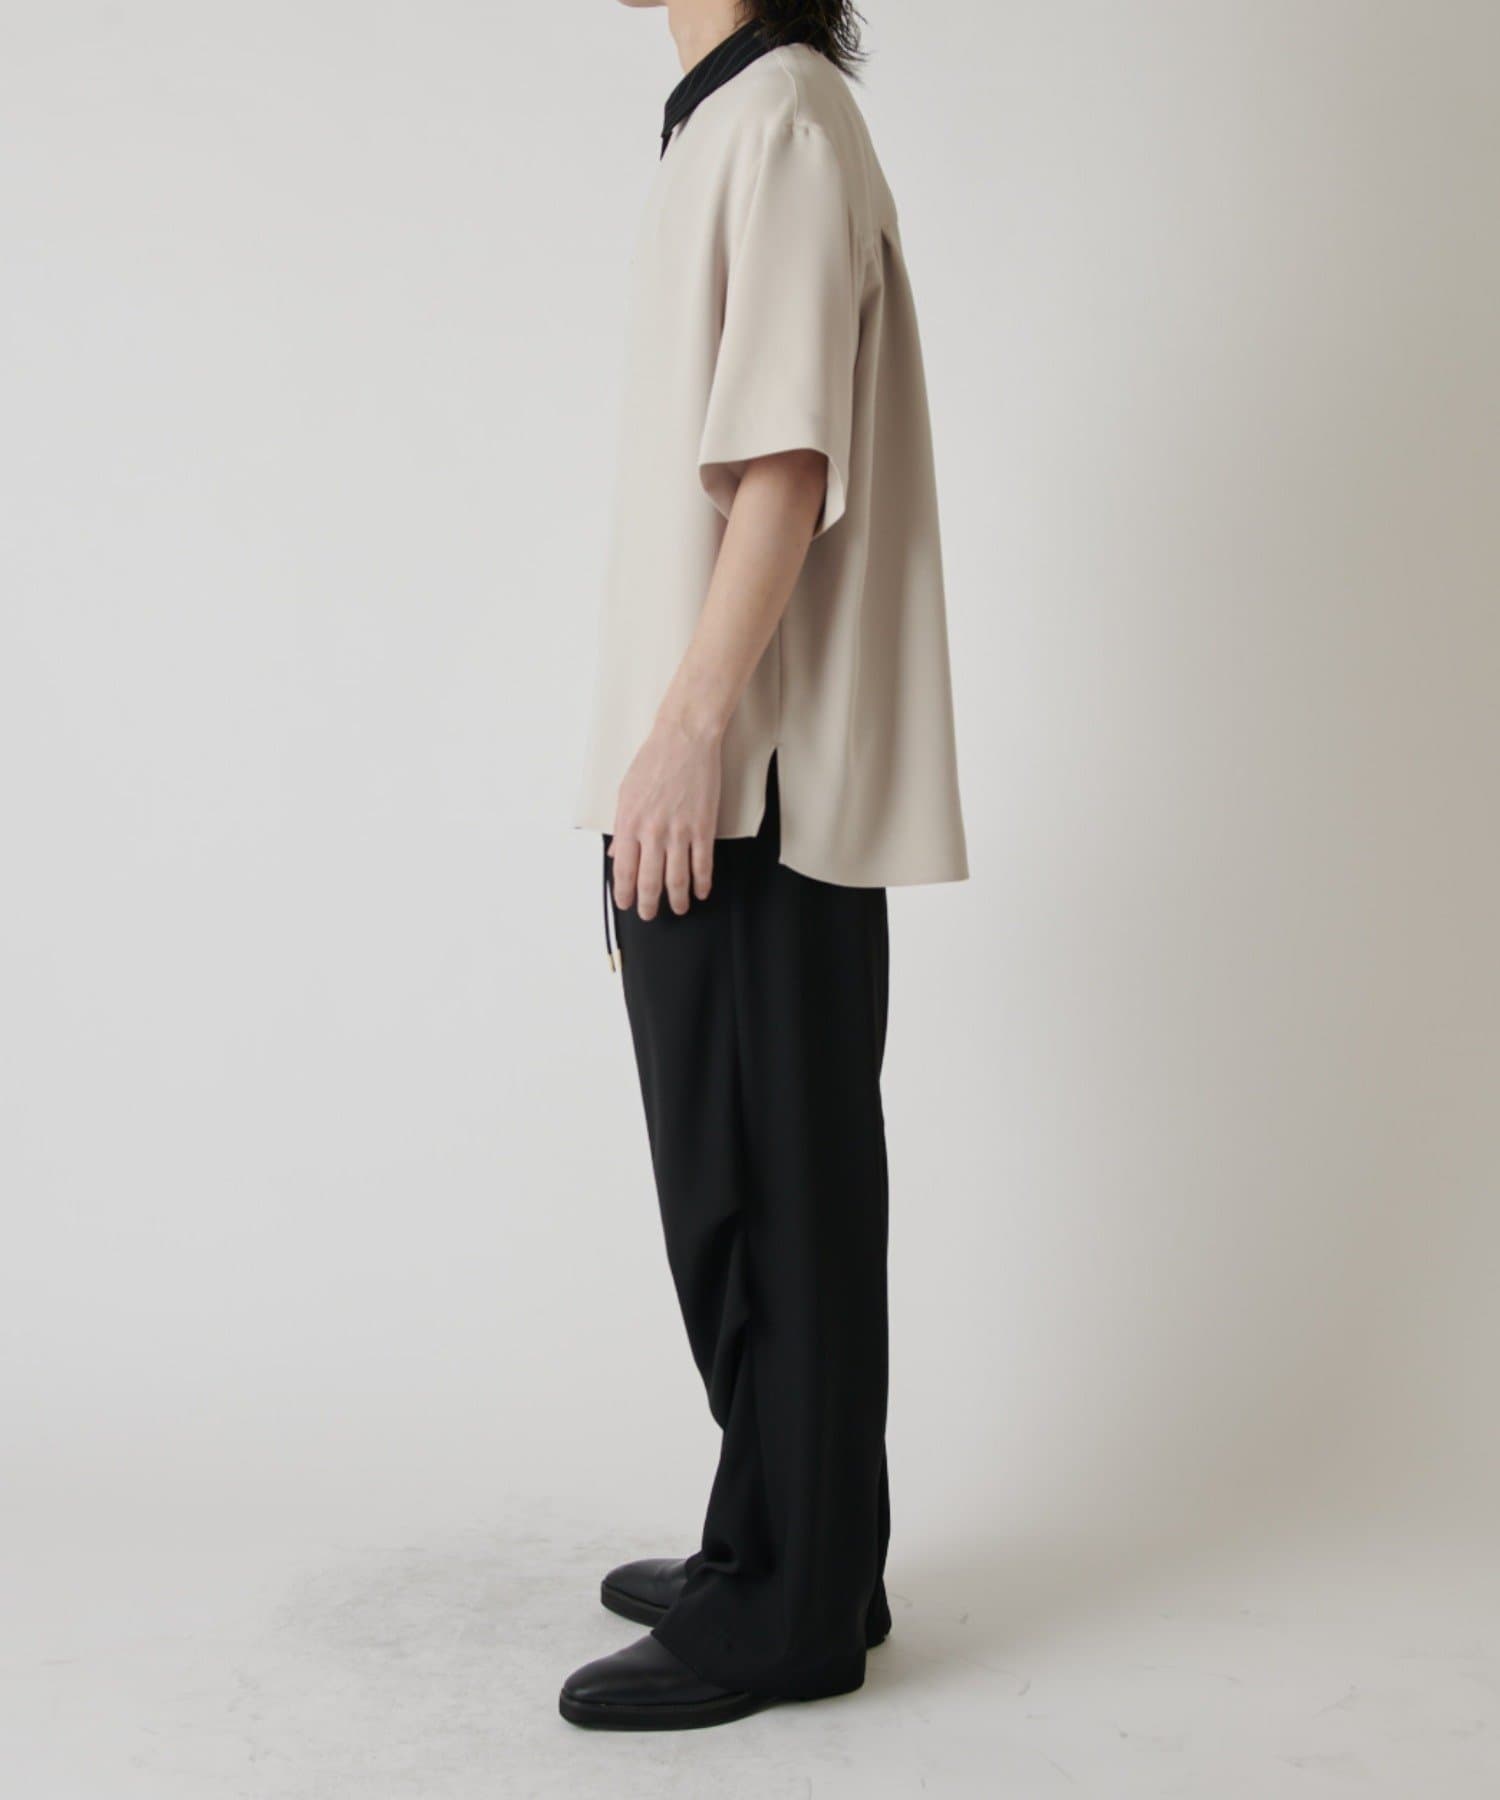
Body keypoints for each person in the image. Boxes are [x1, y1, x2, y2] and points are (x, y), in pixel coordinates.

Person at [564, 0, 967, 1730]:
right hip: (728, 770)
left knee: (765, 1192)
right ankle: (793, 1546)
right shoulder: (735, 119)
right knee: (750, 1180)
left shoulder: (782, 120)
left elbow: (789, 468)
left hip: (755, 784)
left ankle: (790, 1605)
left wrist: (691, 728)